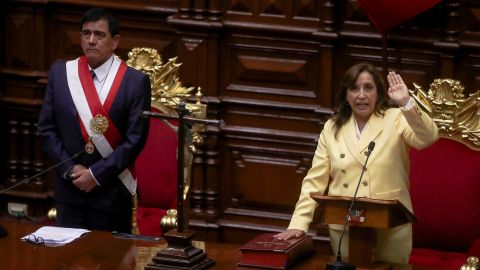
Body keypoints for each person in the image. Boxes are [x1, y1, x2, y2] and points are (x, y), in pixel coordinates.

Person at [274, 62, 438, 263]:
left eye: (368, 88)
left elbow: (428, 138)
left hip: (391, 224)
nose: (361, 95)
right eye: (354, 88)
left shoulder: (397, 117)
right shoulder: (332, 128)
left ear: (378, 92)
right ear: (346, 94)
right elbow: (314, 180)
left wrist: (406, 103)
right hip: (345, 225)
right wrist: (299, 223)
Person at [38, 8, 151, 232]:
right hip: (70, 192)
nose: (91, 40)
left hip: (111, 195)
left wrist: (95, 175)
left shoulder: (134, 81)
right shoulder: (61, 73)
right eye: (86, 33)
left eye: (99, 35)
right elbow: (47, 129)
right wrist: (70, 170)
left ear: (115, 41)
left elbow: (135, 139)